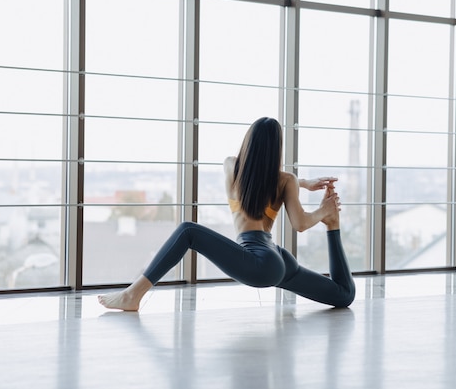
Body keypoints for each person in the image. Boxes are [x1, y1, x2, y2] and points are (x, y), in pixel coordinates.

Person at [98, 117, 356, 311]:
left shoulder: (231, 167)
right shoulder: (286, 180)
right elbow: (300, 224)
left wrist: (304, 185)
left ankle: (133, 295)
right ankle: (333, 226)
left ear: (248, 142)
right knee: (343, 295)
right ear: (278, 148)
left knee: (188, 231)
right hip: (277, 258)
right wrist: (321, 209)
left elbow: (259, 175)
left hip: (258, 261)